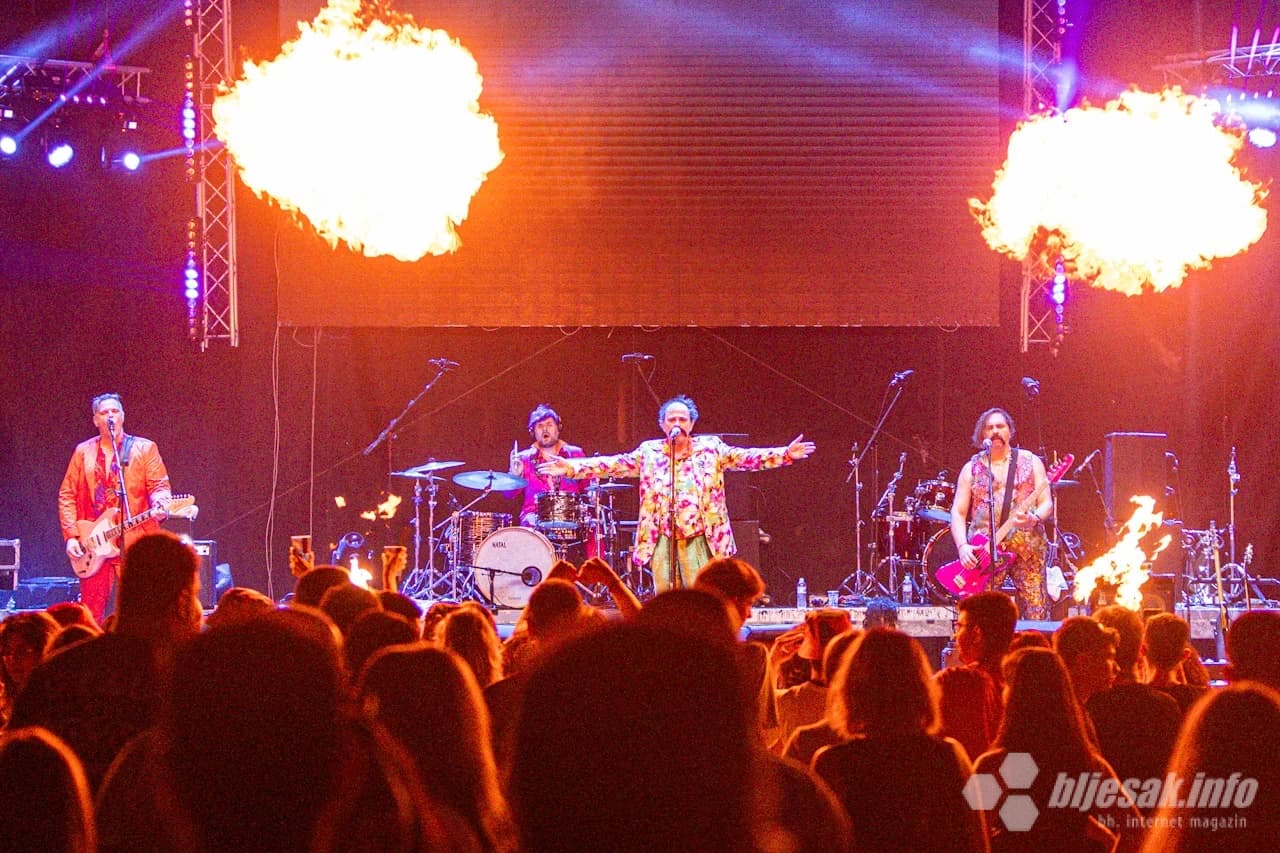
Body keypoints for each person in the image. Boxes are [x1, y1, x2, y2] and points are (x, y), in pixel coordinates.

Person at [538, 395, 815, 591]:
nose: (677, 423)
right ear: (662, 424)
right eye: (672, 419)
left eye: (683, 419)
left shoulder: (711, 448)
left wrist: (785, 454)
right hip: (662, 538)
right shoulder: (649, 452)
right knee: (667, 600)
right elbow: (613, 463)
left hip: (700, 538)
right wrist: (570, 467)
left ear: (692, 424)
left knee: (703, 598)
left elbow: (746, 458)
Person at [58, 392, 172, 624]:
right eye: (104, 412)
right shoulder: (83, 452)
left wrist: (161, 501)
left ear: (122, 416)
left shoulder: (144, 448)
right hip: (94, 541)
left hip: (134, 540)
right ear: (95, 420)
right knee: (90, 614)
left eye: (115, 411)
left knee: (141, 611)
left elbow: (159, 485)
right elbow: (67, 494)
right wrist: (71, 536)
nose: (110, 416)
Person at [950, 407, 1052, 620]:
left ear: (1010, 431)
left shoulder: (1031, 461)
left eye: (1000, 426)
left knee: (1036, 610)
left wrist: (1034, 519)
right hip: (986, 552)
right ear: (982, 434)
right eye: (989, 427)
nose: (995, 431)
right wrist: (962, 547)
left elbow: (1046, 503)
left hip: (1028, 549)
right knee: (981, 614)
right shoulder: (971, 469)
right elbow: (958, 512)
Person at [507, 403, 593, 530]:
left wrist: (593, 494)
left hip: (571, 516)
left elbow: (588, 487)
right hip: (534, 519)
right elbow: (509, 495)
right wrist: (515, 476)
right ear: (533, 432)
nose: (545, 429)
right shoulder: (523, 458)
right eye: (540, 426)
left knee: (591, 526)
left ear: (558, 428)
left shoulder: (575, 454)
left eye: (549, 424)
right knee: (530, 524)